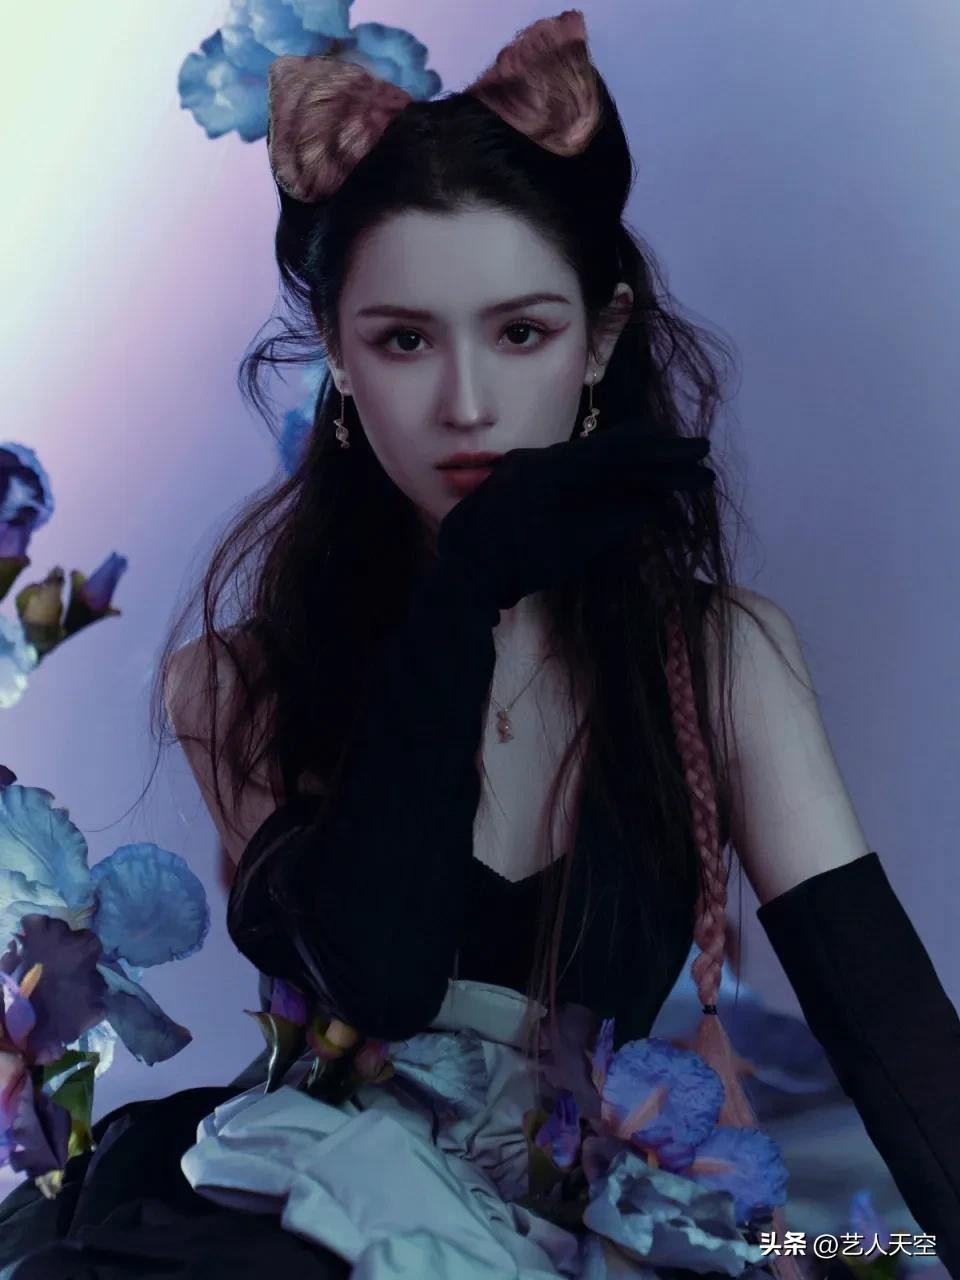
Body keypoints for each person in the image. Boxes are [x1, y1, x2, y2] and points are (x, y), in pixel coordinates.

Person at [2, 10, 959, 1279]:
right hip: (305, 1208)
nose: (467, 403)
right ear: (338, 357)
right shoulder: (234, 682)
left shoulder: (724, 657)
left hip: (590, 1220)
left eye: (522, 333)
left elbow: (893, 1032)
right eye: (404, 339)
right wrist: (466, 589)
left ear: (601, 339)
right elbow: (385, 976)